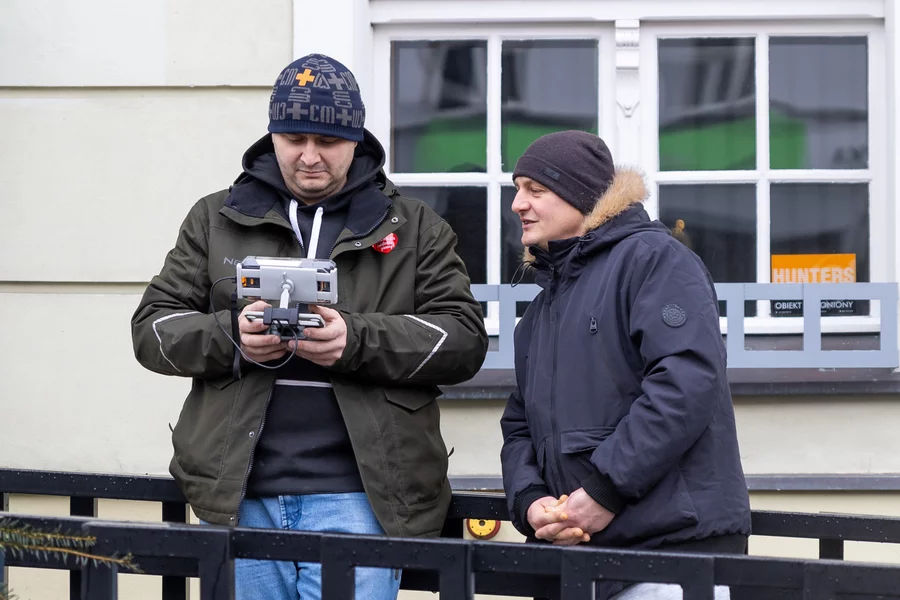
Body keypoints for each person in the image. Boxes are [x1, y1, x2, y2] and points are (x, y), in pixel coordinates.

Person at [131, 53, 488, 600]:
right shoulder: (215, 217)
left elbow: (464, 339)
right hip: (239, 494)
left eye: (328, 141)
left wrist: (355, 340)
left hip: (365, 498)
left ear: (356, 139)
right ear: (272, 135)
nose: (309, 156)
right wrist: (234, 337)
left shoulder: (415, 227)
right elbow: (153, 329)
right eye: (294, 138)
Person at [499, 130, 751, 600]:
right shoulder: (539, 312)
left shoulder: (655, 260)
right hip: (577, 563)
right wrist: (531, 503)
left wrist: (603, 492)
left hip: (669, 557)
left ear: (579, 195)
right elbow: (519, 424)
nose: (517, 204)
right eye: (517, 189)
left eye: (536, 190)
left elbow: (685, 383)